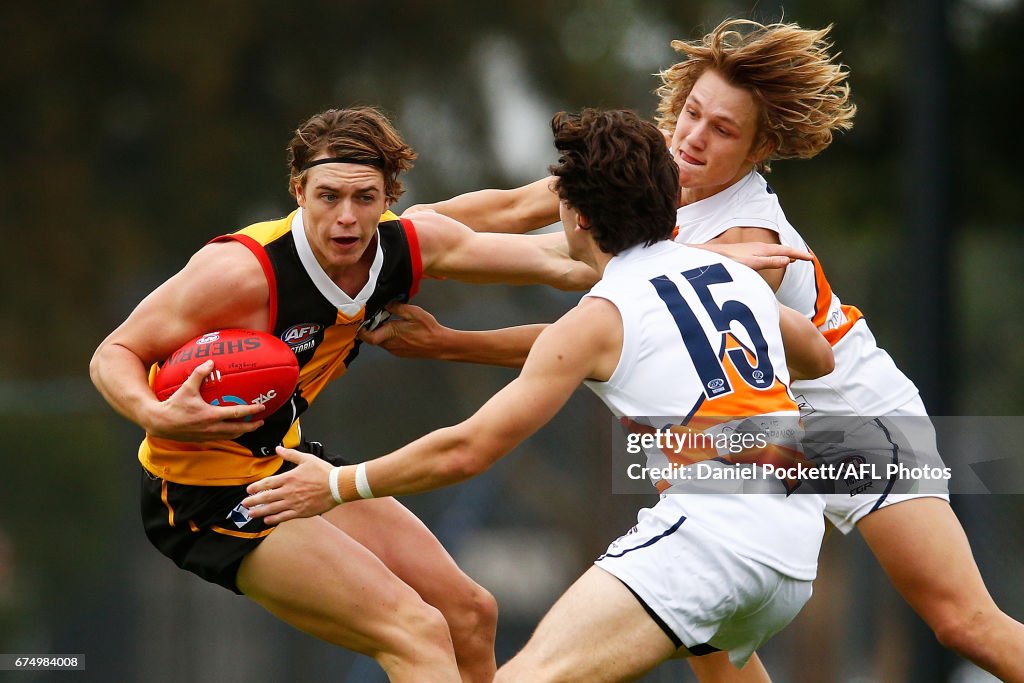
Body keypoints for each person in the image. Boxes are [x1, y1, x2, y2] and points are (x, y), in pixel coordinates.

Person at [383, 19, 1024, 681]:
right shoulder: (643, 170)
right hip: (758, 435)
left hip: (856, 423)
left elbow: (587, 331)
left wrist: (448, 339)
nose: (693, 137)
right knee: (707, 627)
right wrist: (387, 233)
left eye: (722, 129)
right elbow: (513, 211)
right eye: (692, 113)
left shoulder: (751, 237)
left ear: (759, 148)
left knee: (962, 621)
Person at [242, 108, 837, 681]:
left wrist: (339, 485)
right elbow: (816, 355)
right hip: (792, 548)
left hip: (714, 540)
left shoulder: (602, 315)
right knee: (715, 656)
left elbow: (468, 450)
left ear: (575, 216)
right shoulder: (734, 278)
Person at [89, 105, 619, 683]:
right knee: (414, 631)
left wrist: (697, 245)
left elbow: (567, 262)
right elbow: (113, 353)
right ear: (298, 191)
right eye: (328, 196)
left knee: (468, 614)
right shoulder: (240, 272)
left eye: (365, 198)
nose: (346, 218)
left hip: (283, 464)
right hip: (202, 494)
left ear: (389, 196)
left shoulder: (401, 250)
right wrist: (157, 412)